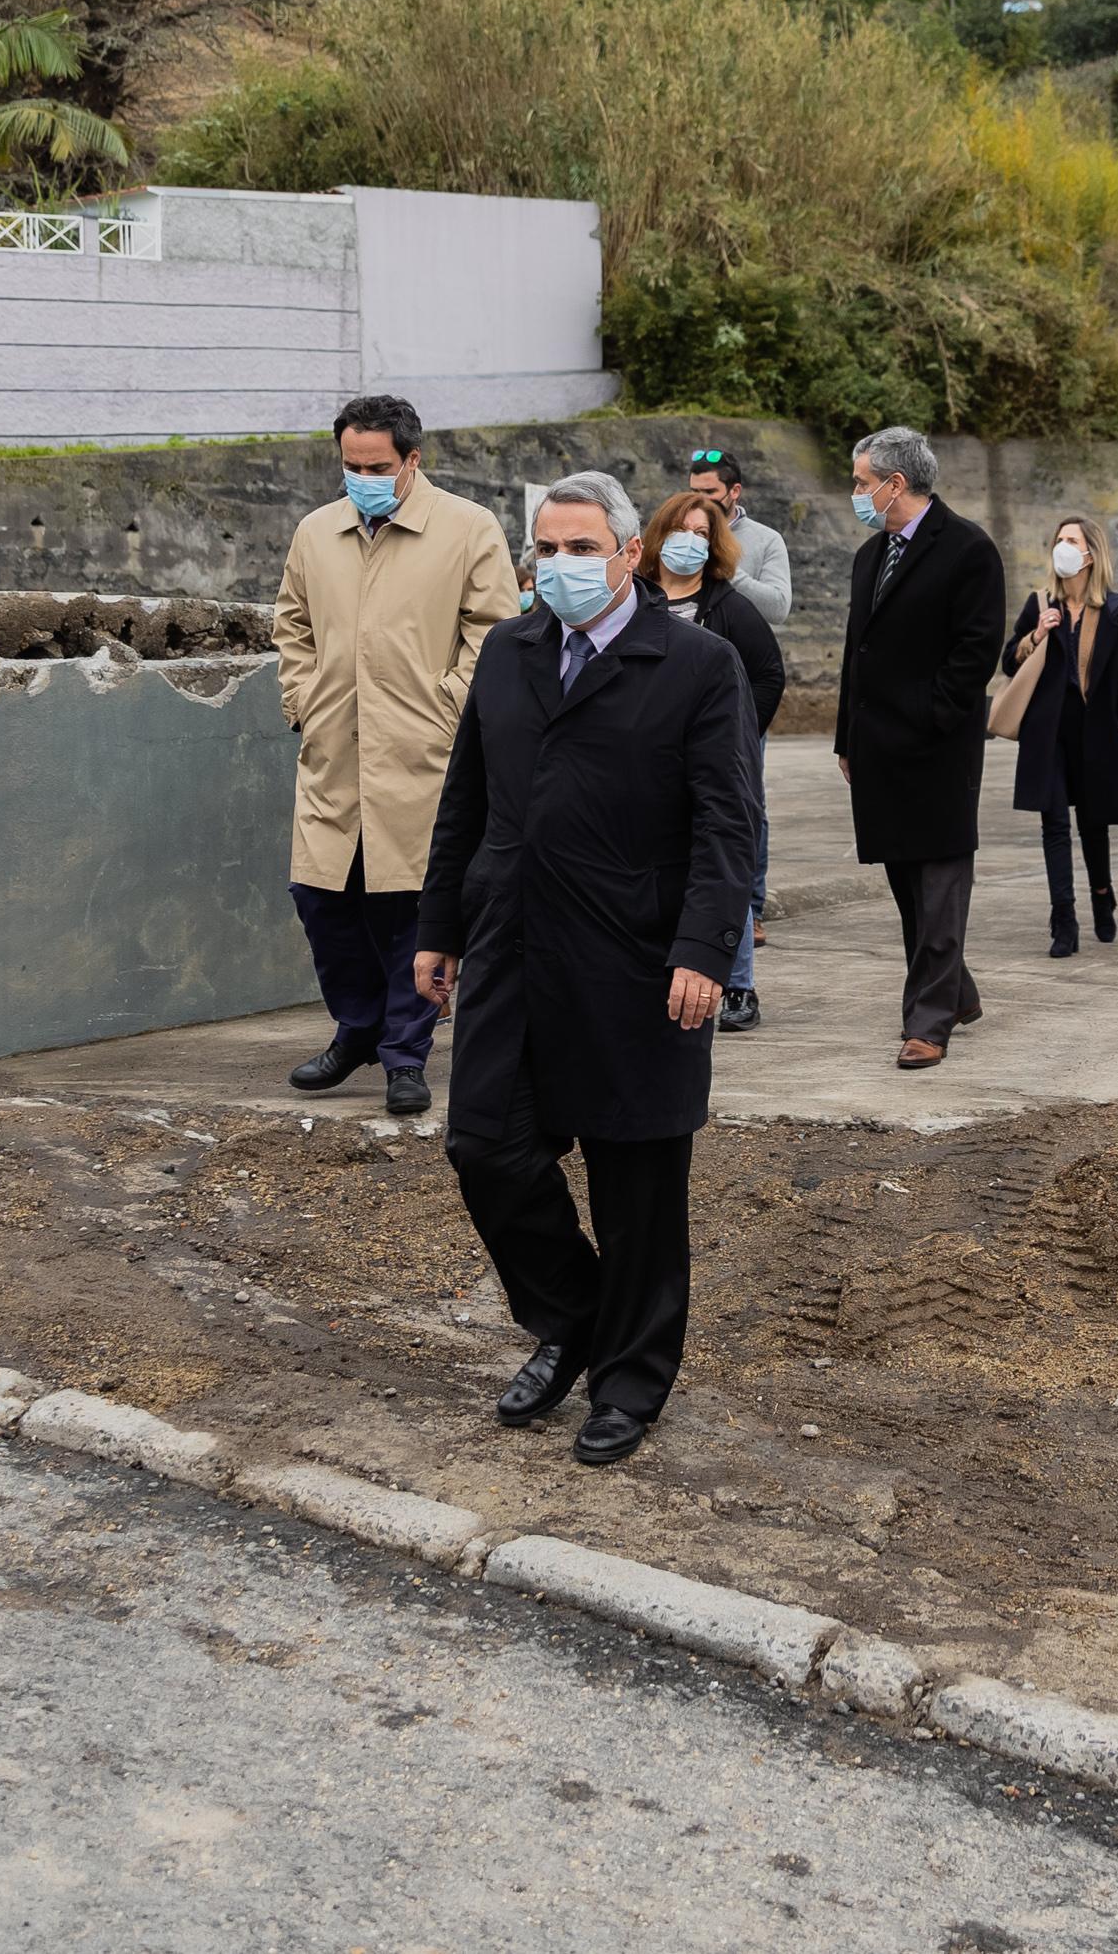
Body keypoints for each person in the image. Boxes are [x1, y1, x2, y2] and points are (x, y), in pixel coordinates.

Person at [412, 472, 754, 1469]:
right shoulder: (510, 653)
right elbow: (464, 800)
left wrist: (702, 948)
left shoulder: (696, 664)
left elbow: (728, 826)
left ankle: (630, 1383)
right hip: (513, 947)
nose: (556, 568)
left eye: (576, 549)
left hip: (634, 963)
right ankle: (579, 1320)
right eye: (542, 551)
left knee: (636, 1186)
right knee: (487, 1149)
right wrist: (439, 926)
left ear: (626, 555)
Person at [274, 392, 519, 1117]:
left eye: (376, 464)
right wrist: (303, 698)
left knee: (414, 911)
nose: (361, 476)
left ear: (412, 460)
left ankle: (404, 1055)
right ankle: (358, 1028)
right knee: (321, 899)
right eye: (350, 464)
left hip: (425, 758)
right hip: (333, 754)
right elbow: (291, 623)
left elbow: (495, 635)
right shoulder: (317, 532)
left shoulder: (468, 529)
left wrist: (447, 708)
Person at [832, 426, 1002, 1070]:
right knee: (908, 884)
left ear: (894, 483)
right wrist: (847, 736)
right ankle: (955, 991)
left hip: (935, 749)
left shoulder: (966, 549)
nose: (857, 493)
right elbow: (857, 654)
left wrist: (932, 717)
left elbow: (974, 652)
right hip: (876, 748)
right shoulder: (870, 556)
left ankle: (927, 1022)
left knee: (939, 886)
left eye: (860, 482)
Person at [641, 486, 785, 1032]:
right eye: (681, 530)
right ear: (658, 536)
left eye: (702, 534)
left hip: (705, 761)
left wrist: (742, 735)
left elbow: (769, 673)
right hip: (642, 761)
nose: (690, 542)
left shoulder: (728, 607)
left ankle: (739, 985)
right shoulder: (632, 596)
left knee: (723, 866)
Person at [1001, 513, 1118, 959]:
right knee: (1055, 825)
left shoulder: (1117, 611)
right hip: (1049, 734)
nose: (1061, 546)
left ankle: (1102, 894)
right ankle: (1063, 917)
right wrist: (1035, 634)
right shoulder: (1041, 602)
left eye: (1071, 540)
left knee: (1093, 822)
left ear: (1090, 553)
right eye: (1058, 539)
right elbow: (1010, 662)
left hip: (1099, 734)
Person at [683, 446, 793, 623]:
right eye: (694, 491)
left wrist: (725, 568)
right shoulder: (676, 533)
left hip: (738, 648)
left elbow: (778, 609)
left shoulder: (767, 540)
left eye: (710, 492)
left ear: (734, 491)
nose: (700, 500)